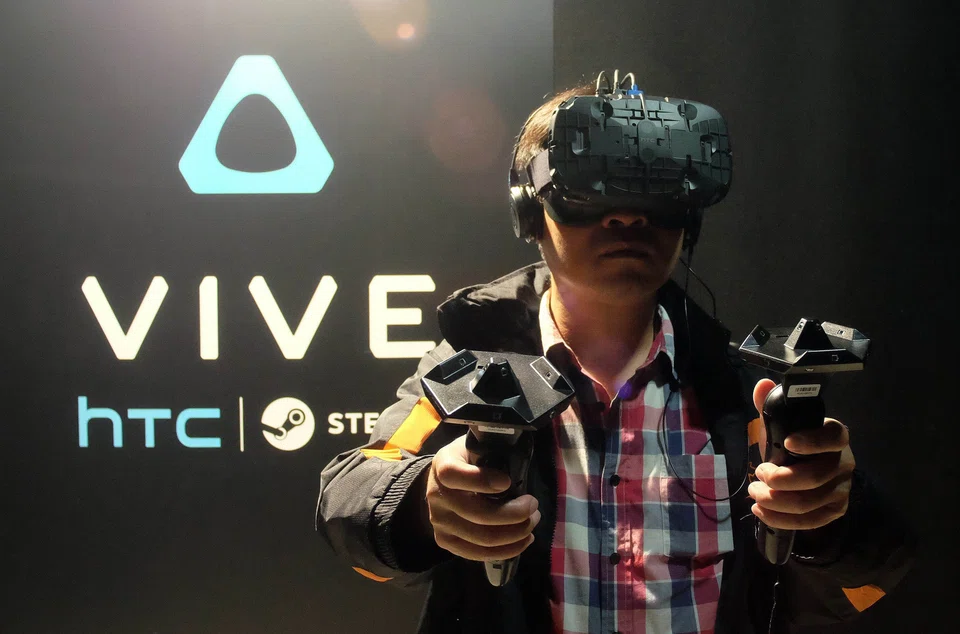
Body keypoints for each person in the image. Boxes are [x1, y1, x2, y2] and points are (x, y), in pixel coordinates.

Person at [315, 80, 915, 634]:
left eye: (656, 190)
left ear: (689, 220)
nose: (627, 215)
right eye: (587, 188)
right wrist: (424, 504)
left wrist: (832, 512)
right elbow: (349, 495)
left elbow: (867, 581)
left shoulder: (741, 393)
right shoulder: (472, 374)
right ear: (530, 209)